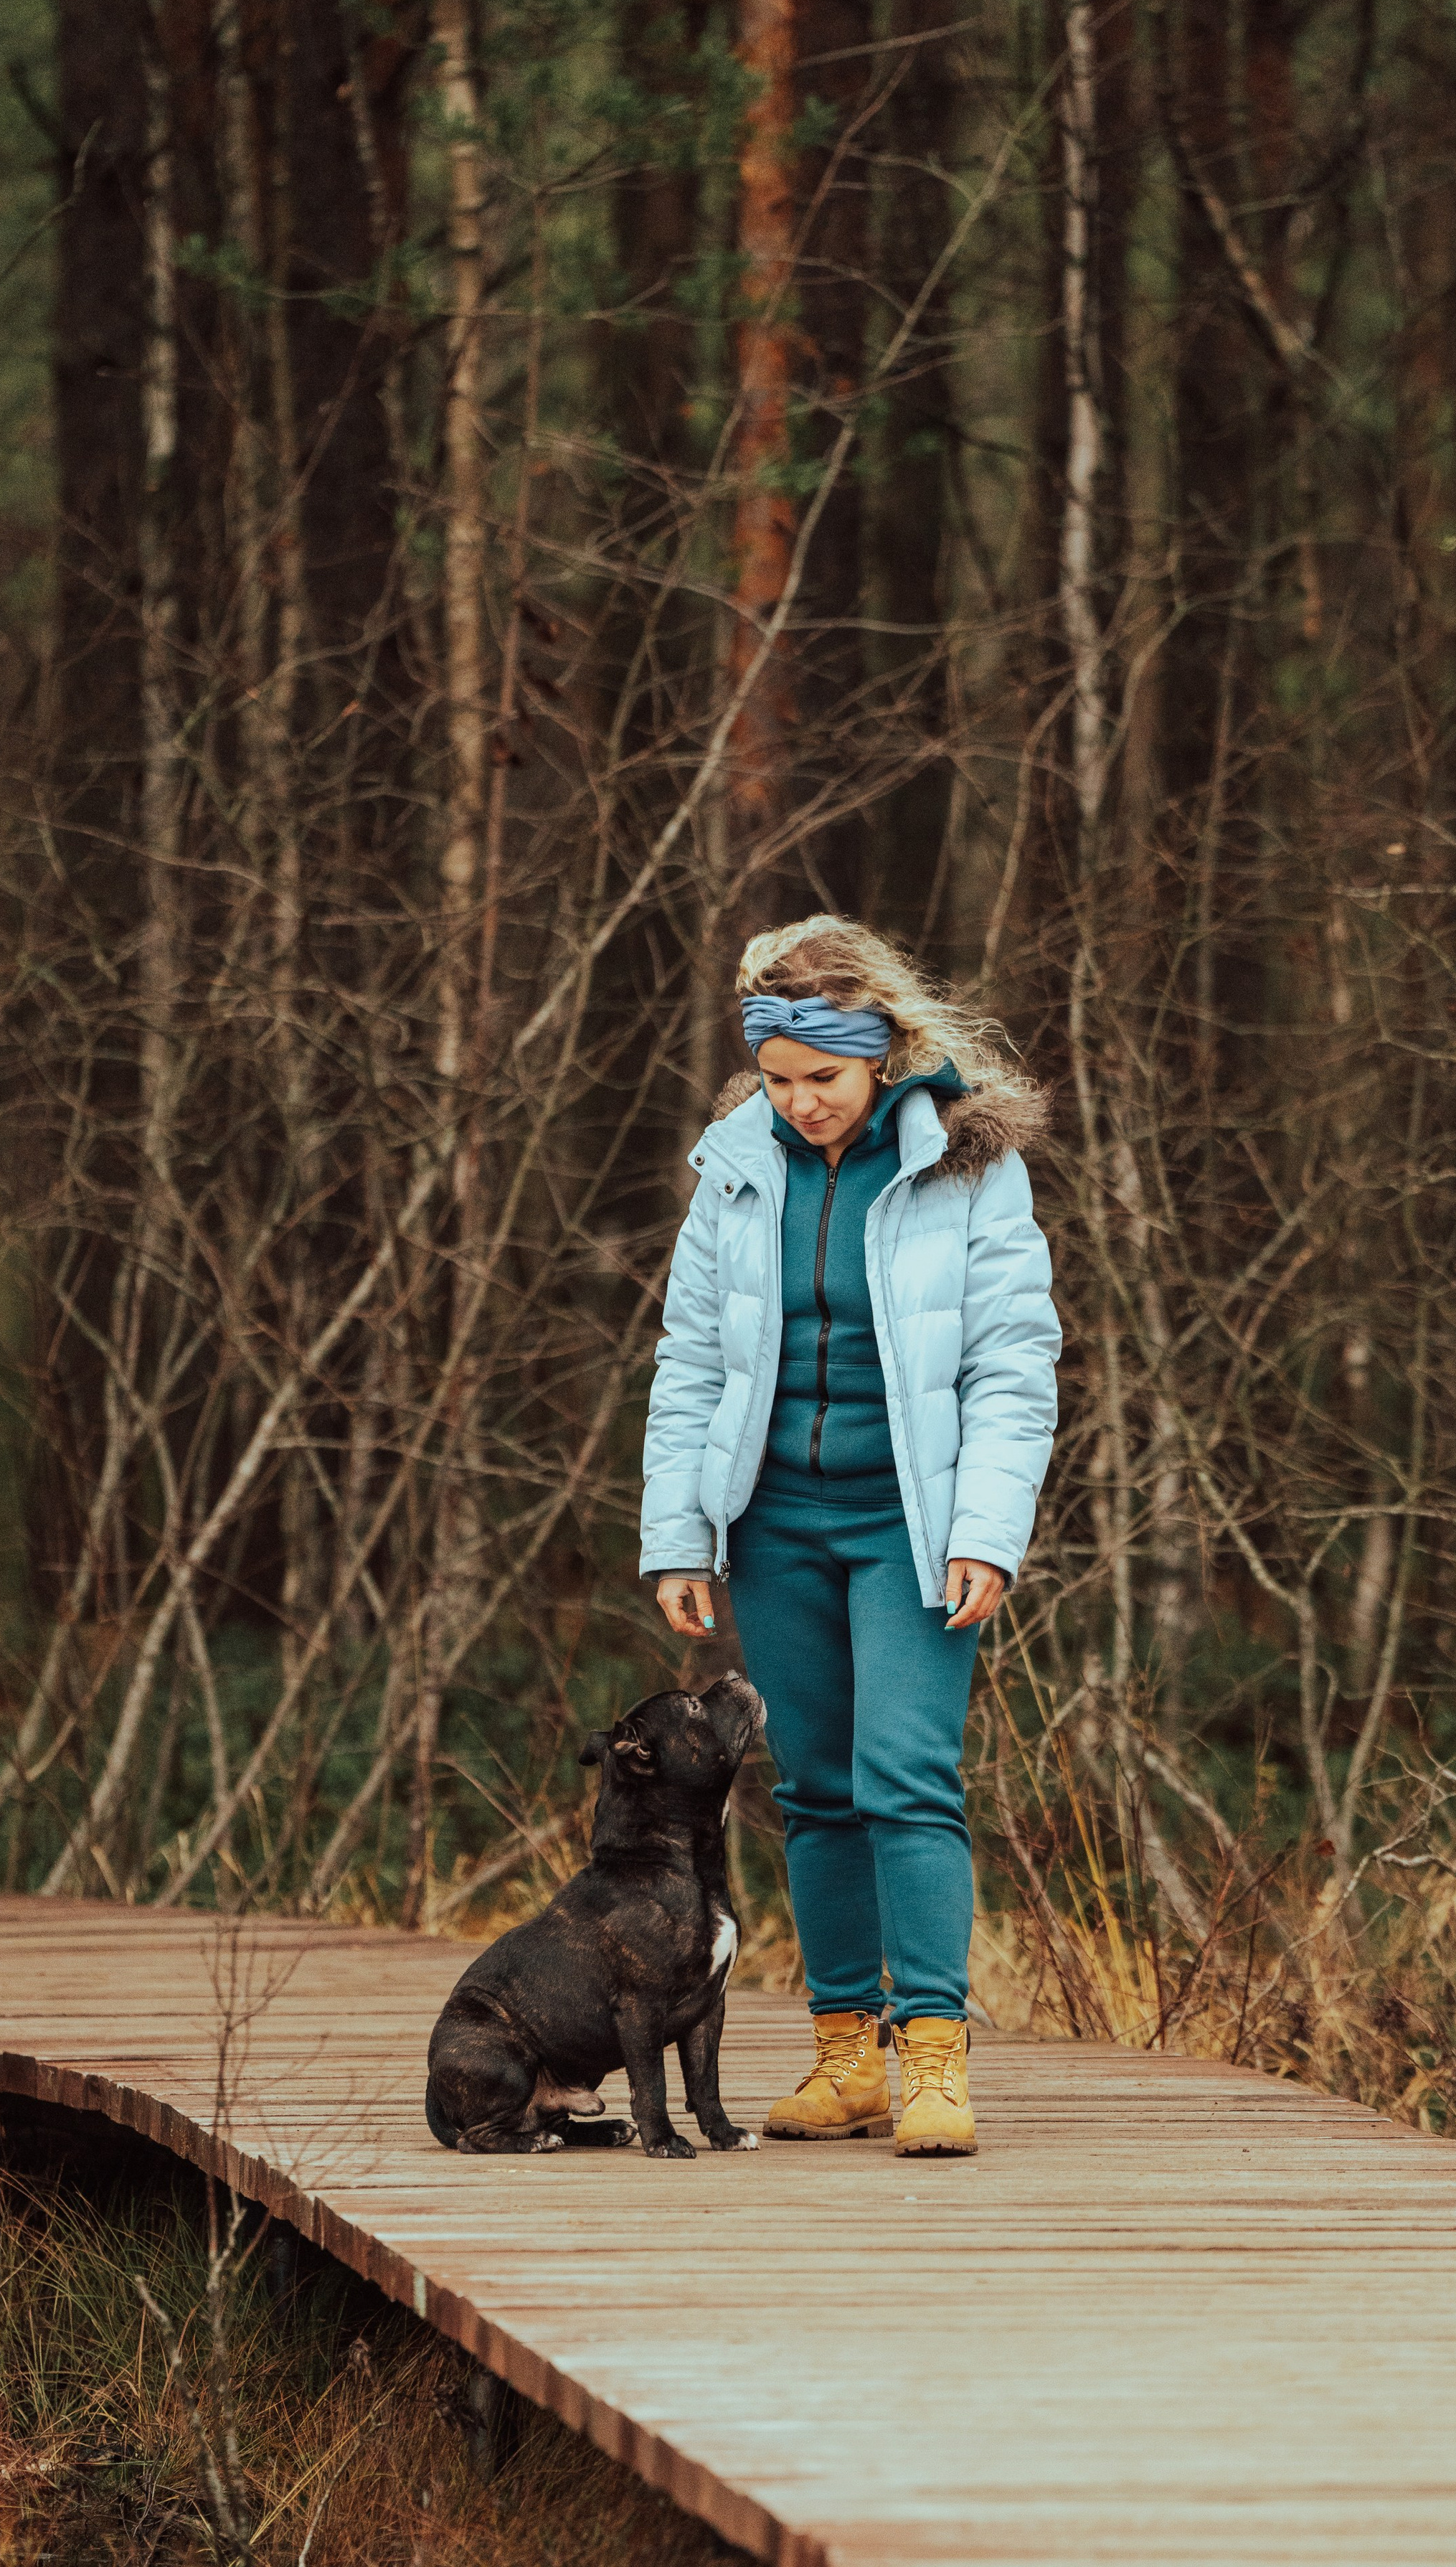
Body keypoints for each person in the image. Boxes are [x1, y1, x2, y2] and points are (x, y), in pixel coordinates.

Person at [640, 917, 1060, 2155]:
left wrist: (987, 1528)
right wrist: (681, 1537)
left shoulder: (968, 1168)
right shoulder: (735, 1168)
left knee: (907, 1777)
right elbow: (693, 1362)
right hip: (776, 1522)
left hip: (912, 1523)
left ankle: (934, 2054)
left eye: (822, 1077)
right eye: (777, 1079)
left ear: (881, 1051)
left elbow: (1013, 1365)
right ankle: (847, 2054)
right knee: (814, 1789)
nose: (801, 1101)